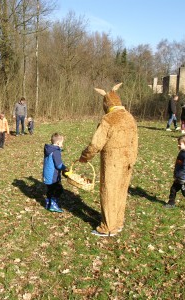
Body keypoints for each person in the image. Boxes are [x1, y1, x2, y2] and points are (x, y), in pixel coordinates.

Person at [79, 83, 138, 237]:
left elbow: (95, 144)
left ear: (106, 103)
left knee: (109, 192)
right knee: (121, 191)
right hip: (128, 161)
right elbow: (135, 141)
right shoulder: (129, 117)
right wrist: (132, 159)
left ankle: (108, 227)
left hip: (113, 162)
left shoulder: (108, 119)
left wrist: (85, 156)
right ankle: (118, 223)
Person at [43, 133, 68, 213]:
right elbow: (58, 165)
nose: (62, 144)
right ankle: (53, 205)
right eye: (61, 143)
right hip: (53, 175)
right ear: (57, 143)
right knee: (58, 190)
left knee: (50, 189)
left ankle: (48, 203)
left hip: (47, 174)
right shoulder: (55, 151)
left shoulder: (49, 149)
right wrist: (65, 168)